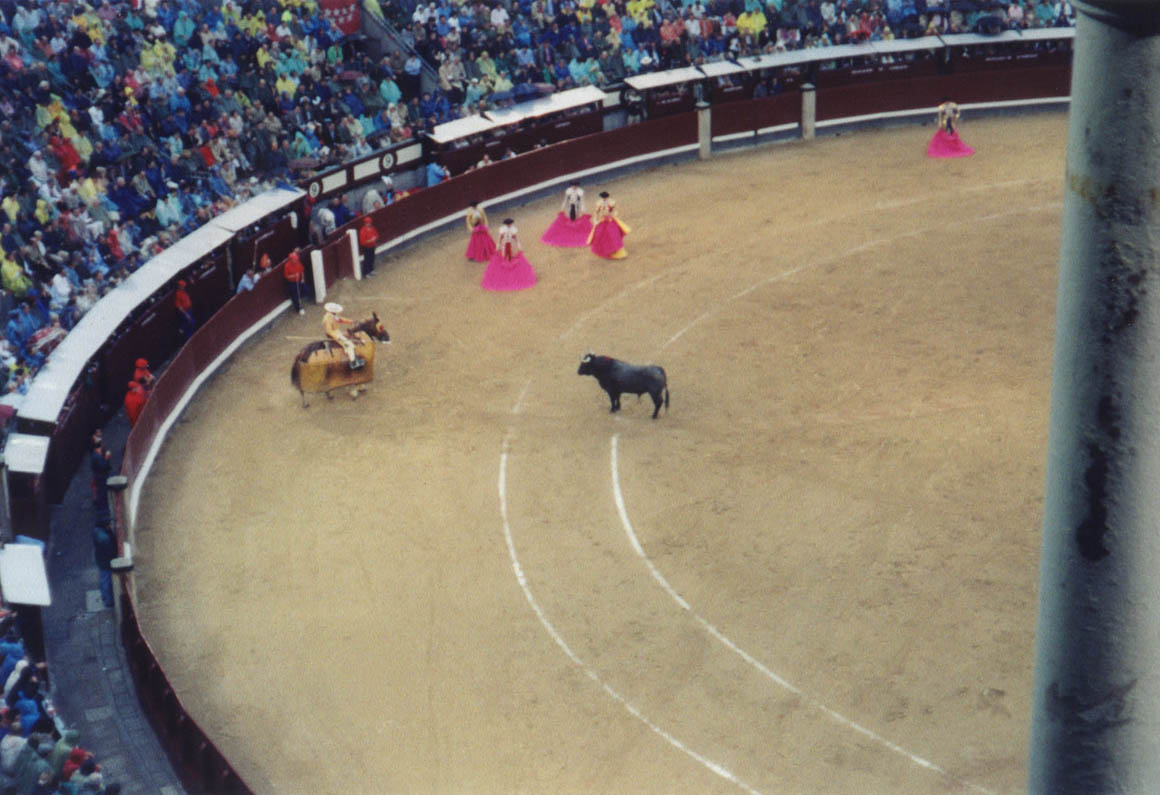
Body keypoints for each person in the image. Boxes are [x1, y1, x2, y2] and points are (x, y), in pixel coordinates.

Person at [481, 219, 537, 291]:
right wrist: (498, 246)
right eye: (508, 224)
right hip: (505, 245)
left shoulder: (513, 230)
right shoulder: (503, 230)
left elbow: (516, 239)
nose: (508, 225)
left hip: (511, 245)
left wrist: (519, 246)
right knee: (504, 257)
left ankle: (510, 272)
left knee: (511, 257)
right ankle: (505, 272)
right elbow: (500, 239)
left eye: (509, 224)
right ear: (505, 224)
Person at [541, 181, 593, 247]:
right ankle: (573, 231)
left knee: (576, 218)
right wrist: (562, 209)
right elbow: (565, 200)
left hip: (577, 206)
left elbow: (582, 202)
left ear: (577, 186)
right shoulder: (569, 191)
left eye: (575, 185)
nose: (574, 187)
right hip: (570, 205)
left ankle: (574, 232)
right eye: (573, 185)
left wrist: (583, 210)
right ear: (571, 186)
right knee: (571, 217)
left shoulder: (580, 192)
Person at [588, 191, 631, 259]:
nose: (604, 198)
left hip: (610, 219)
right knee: (602, 235)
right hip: (603, 220)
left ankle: (617, 251)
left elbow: (614, 210)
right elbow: (596, 212)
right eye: (603, 197)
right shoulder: (600, 203)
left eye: (605, 197)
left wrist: (614, 214)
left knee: (614, 235)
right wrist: (595, 219)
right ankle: (607, 250)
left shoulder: (611, 202)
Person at [323, 302, 364, 369]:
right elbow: (329, 331)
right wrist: (337, 337)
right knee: (349, 344)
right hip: (334, 335)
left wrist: (351, 321)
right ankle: (353, 363)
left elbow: (341, 319)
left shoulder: (333, 316)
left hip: (337, 332)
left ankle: (354, 358)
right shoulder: (328, 319)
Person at [92, 520, 117, 608]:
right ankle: (108, 601)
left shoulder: (97, 531)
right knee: (106, 580)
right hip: (106, 562)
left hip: (100, 560)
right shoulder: (105, 538)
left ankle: (104, 597)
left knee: (103, 579)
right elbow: (111, 551)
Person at [283, 250, 306, 315]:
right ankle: (298, 308)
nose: (295, 261)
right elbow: (286, 276)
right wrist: (293, 276)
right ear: (291, 260)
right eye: (294, 260)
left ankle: (301, 301)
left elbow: (302, 271)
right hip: (292, 282)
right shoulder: (287, 266)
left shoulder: (298, 262)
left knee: (304, 289)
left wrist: (303, 279)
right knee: (295, 295)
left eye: (296, 259)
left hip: (298, 280)